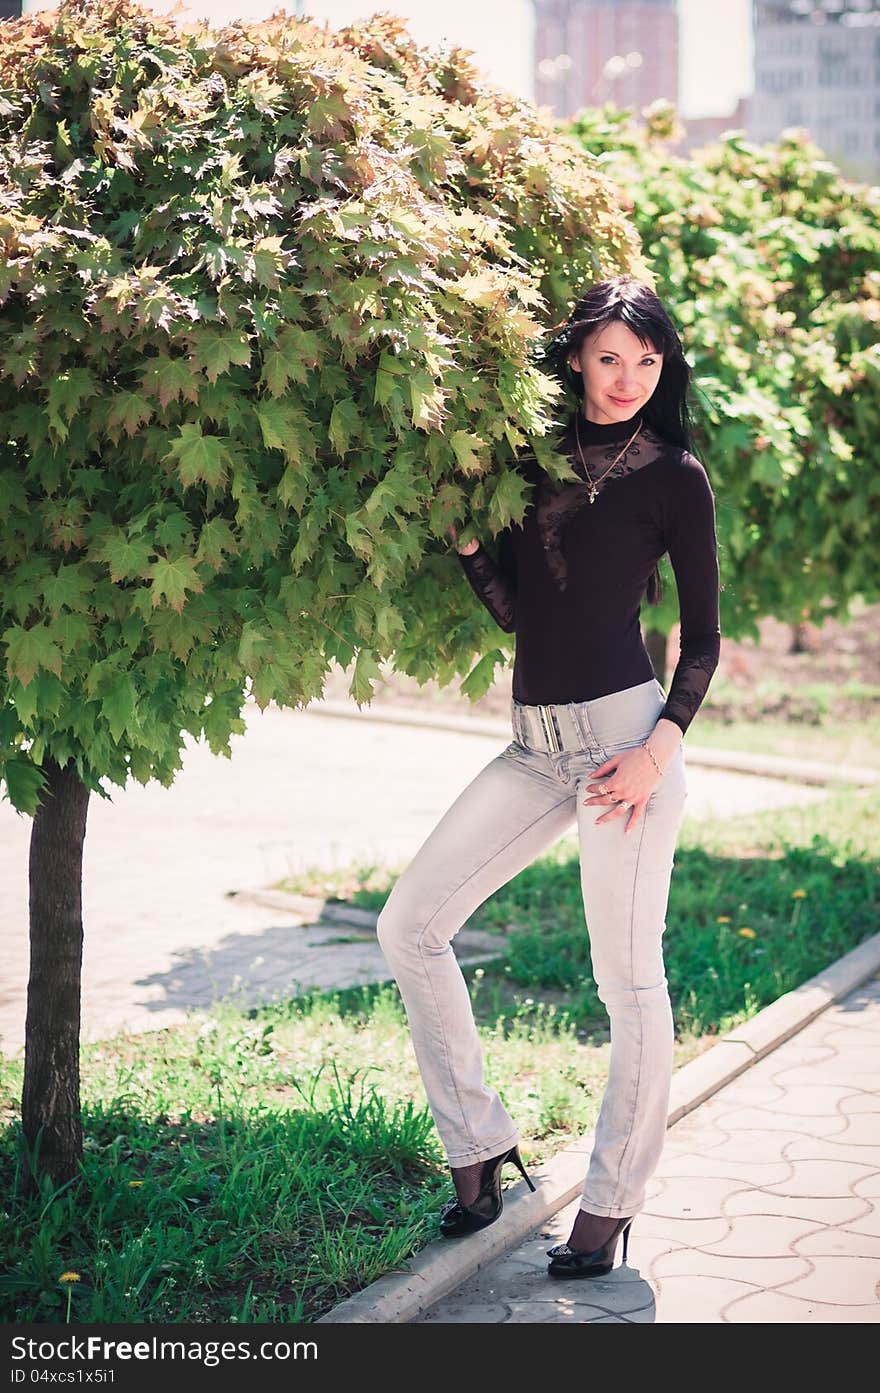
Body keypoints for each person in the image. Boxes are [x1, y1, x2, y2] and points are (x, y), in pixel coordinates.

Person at [376, 275, 721, 1280]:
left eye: (647, 361)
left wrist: (657, 751)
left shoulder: (674, 477)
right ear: (574, 356)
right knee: (411, 922)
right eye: (610, 357)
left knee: (628, 981)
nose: (628, 379)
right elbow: (524, 614)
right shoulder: (528, 461)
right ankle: (478, 1145)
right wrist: (473, 544)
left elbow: (701, 642)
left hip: (627, 747)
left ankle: (610, 1203)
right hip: (533, 744)